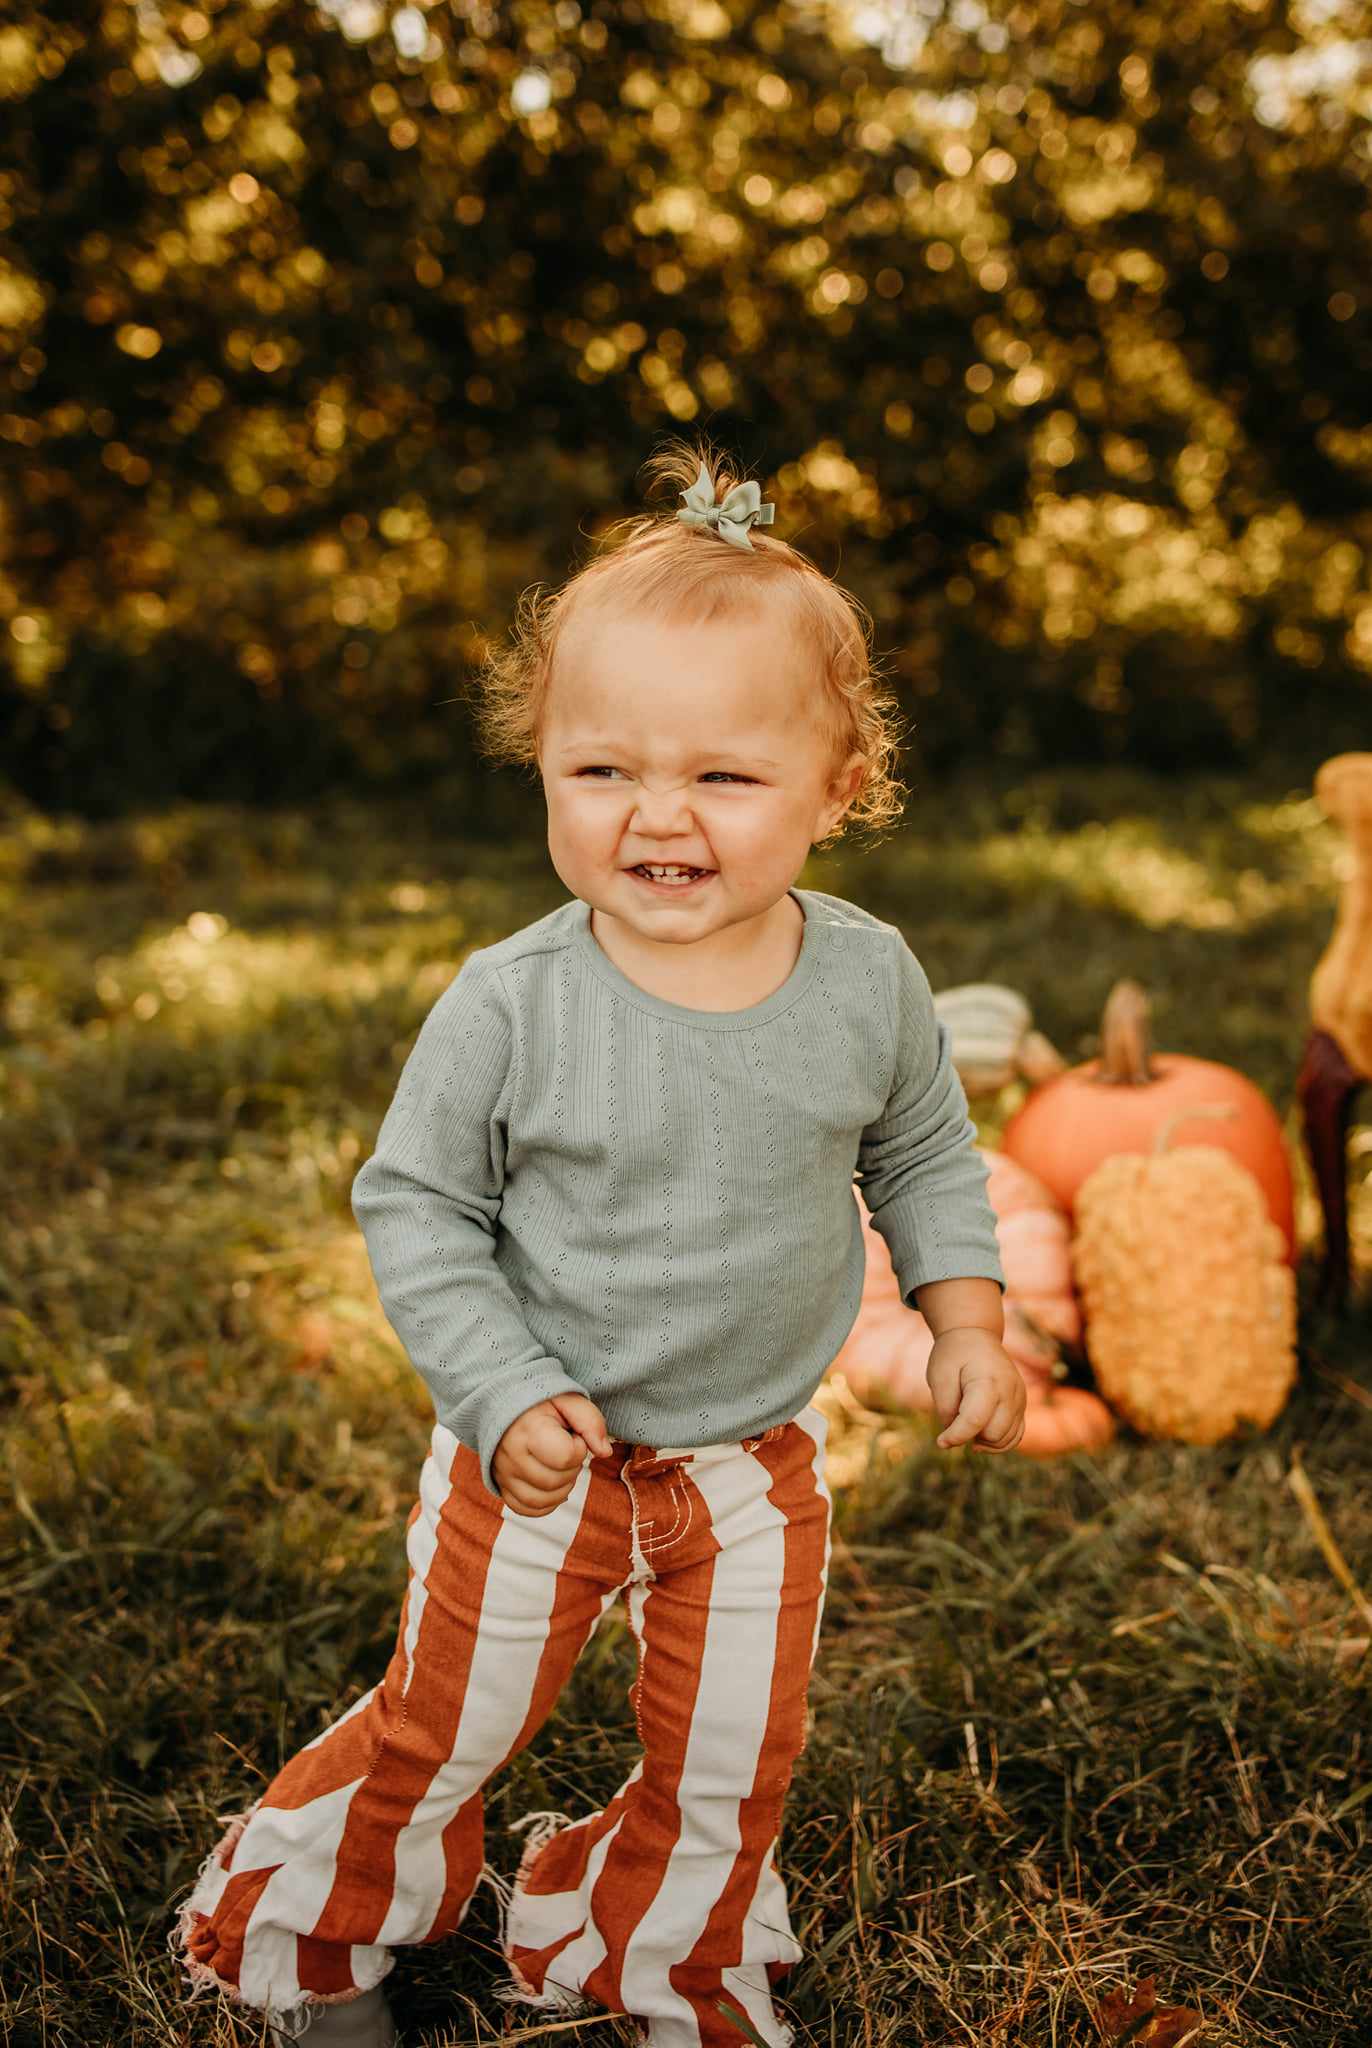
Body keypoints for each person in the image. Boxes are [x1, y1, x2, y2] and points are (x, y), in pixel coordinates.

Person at [170, 435, 1026, 2048]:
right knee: (451, 1720)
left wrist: (965, 1315)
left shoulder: (868, 982)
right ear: (542, 764)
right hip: (541, 1453)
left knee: (731, 1757)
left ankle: (659, 1957)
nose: (657, 816)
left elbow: (921, 1150)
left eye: (721, 774)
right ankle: (312, 1930)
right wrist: (498, 1388)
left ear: (840, 789)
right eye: (604, 769)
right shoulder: (516, 999)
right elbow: (418, 1203)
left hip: (755, 1459)